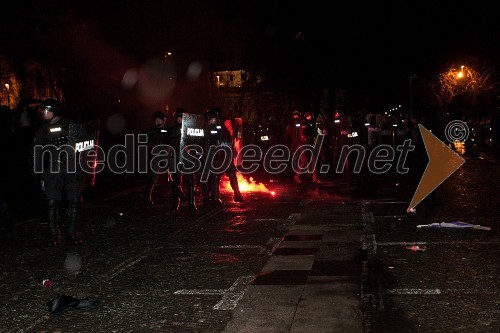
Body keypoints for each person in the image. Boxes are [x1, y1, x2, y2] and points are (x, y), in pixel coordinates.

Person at [31, 99, 88, 246]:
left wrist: (72, 151)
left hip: (72, 167)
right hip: (54, 167)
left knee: (74, 200)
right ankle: (53, 236)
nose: (44, 114)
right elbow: (36, 149)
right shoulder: (42, 130)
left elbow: (87, 143)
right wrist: (37, 169)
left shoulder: (71, 125)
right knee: (51, 201)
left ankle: (72, 233)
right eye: (42, 111)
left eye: (46, 110)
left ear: (54, 111)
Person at [202, 107, 232, 206]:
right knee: (205, 178)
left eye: (214, 118)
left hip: (217, 156)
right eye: (211, 117)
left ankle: (215, 198)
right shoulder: (203, 128)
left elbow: (228, 140)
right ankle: (206, 198)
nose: (213, 119)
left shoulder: (221, 128)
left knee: (215, 178)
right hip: (205, 156)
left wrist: (221, 144)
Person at [144, 111, 170, 206]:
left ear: (163, 120)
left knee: (171, 177)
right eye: (155, 120)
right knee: (152, 177)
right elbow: (145, 141)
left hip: (166, 157)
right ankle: (147, 197)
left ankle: (177, 195)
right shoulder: (151, 130)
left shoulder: (168, 130)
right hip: (154, 157)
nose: (157, 121)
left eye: (159, 119)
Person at [168, 108, 189, 210]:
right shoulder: (172, 129)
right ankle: (176, 201)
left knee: (189, 180)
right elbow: (169, 142)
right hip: (175, 156)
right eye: (179, 117)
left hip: (186, 157)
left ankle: (189, 200)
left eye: (182, 117)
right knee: (176, 180)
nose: (180, 119)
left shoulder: (188, 129)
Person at [222, 117, 245, 202]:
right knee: (215, 178)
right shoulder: (222, 131)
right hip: (220, 155)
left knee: (232, 175)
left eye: (230, 124)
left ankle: (237, 195)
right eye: (227, 124)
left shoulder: (231, 132)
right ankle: (212, 197)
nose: (229, 126)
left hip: (228, 155)